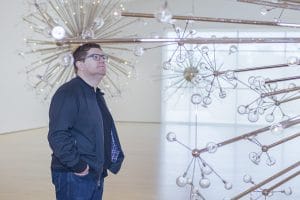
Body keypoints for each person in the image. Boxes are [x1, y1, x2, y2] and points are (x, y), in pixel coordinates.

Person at [48, 43, 124, 200]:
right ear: (79, 64)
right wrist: (78, 165)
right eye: (95, 57)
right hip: (74, 174)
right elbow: (58, 134)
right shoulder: (68, 92)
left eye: (104, 57)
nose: (102, 60)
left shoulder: (96, 95)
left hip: (95, 172)